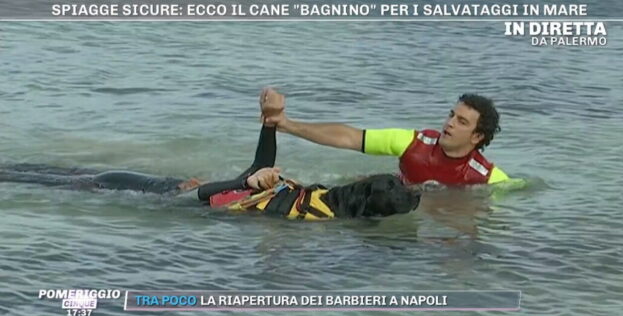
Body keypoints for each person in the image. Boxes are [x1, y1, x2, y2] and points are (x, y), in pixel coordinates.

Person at [0, 99, 420, 220]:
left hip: (159, 192)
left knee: (61, 180)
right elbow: (252, 178)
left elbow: (250, 179)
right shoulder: (319, 208)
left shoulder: (301, 206)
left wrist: (270, 128)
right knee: (57, 178)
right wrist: (270, 126)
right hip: (171, 190)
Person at [259, 88, 511, 186]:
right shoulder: (413, 143)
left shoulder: (489, 178)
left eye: (461, 121)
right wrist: (288, 125)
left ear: (477, 136)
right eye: (451, 115)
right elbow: (349, 137)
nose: (450, 123)